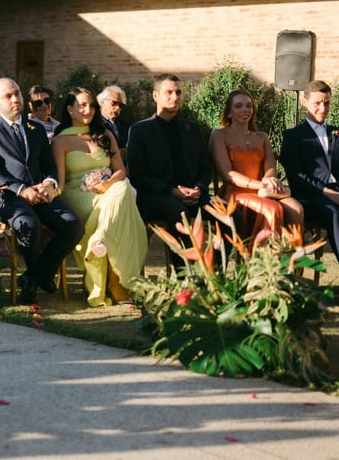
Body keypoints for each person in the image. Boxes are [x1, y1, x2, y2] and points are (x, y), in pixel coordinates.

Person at [0, 77, 84, 303]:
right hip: (5, 196)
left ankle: (35, 275)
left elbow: (48, 165)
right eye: (8, 96)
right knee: (29, 225)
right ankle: (35, 281)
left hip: (39, 194)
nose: (15, 99)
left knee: (73, 225)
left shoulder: (36, 128)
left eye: (17, 93)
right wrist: (21, 189)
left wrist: (50, 183)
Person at [52, 87, 147, 306]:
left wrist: (107, 184)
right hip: (77, 194)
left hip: (108, 191)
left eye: (92, 105)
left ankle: (102, 244)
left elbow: (120, 171)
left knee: (122, 189)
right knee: (122, 203)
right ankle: (117, 282)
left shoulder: (105, 135)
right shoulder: (60, 141)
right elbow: (61, 183)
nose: (89, 110)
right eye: (82, 105)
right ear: (70, 109)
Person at [127, 74, 212, 267]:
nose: (175, 97)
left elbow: (205, 168)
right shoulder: (140, 130)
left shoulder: (192, 129)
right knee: (179, 213)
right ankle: (185, 277)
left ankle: (219, 274)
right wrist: (171, 191)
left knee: (232, 214)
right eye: (169, 92)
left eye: (178, 92)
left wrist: (199, 189)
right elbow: (138, 176)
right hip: (155, 198)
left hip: (193, 196)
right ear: (155, 96)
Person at [210, 89, 303, 240]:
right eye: (238, 106)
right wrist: (260, 185)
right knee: (272, 208)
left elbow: (270, 167)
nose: (245, 109)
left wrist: (268, 180)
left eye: (249, 106)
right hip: (235, 192)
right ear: (229, 111)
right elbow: (227, 174)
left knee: (296, 208)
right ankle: (266, 253)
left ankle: (294, 254)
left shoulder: (262, 136)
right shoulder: (220, 134)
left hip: (264, 190)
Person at [280, 80, 339, 256]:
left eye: (326, 103)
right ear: (304, 102)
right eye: (317, 103)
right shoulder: (293, 136)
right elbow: (296, 175)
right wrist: (328, 192)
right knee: (335, 213)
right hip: (310, 196)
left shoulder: (336, 132)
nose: (323, 108)